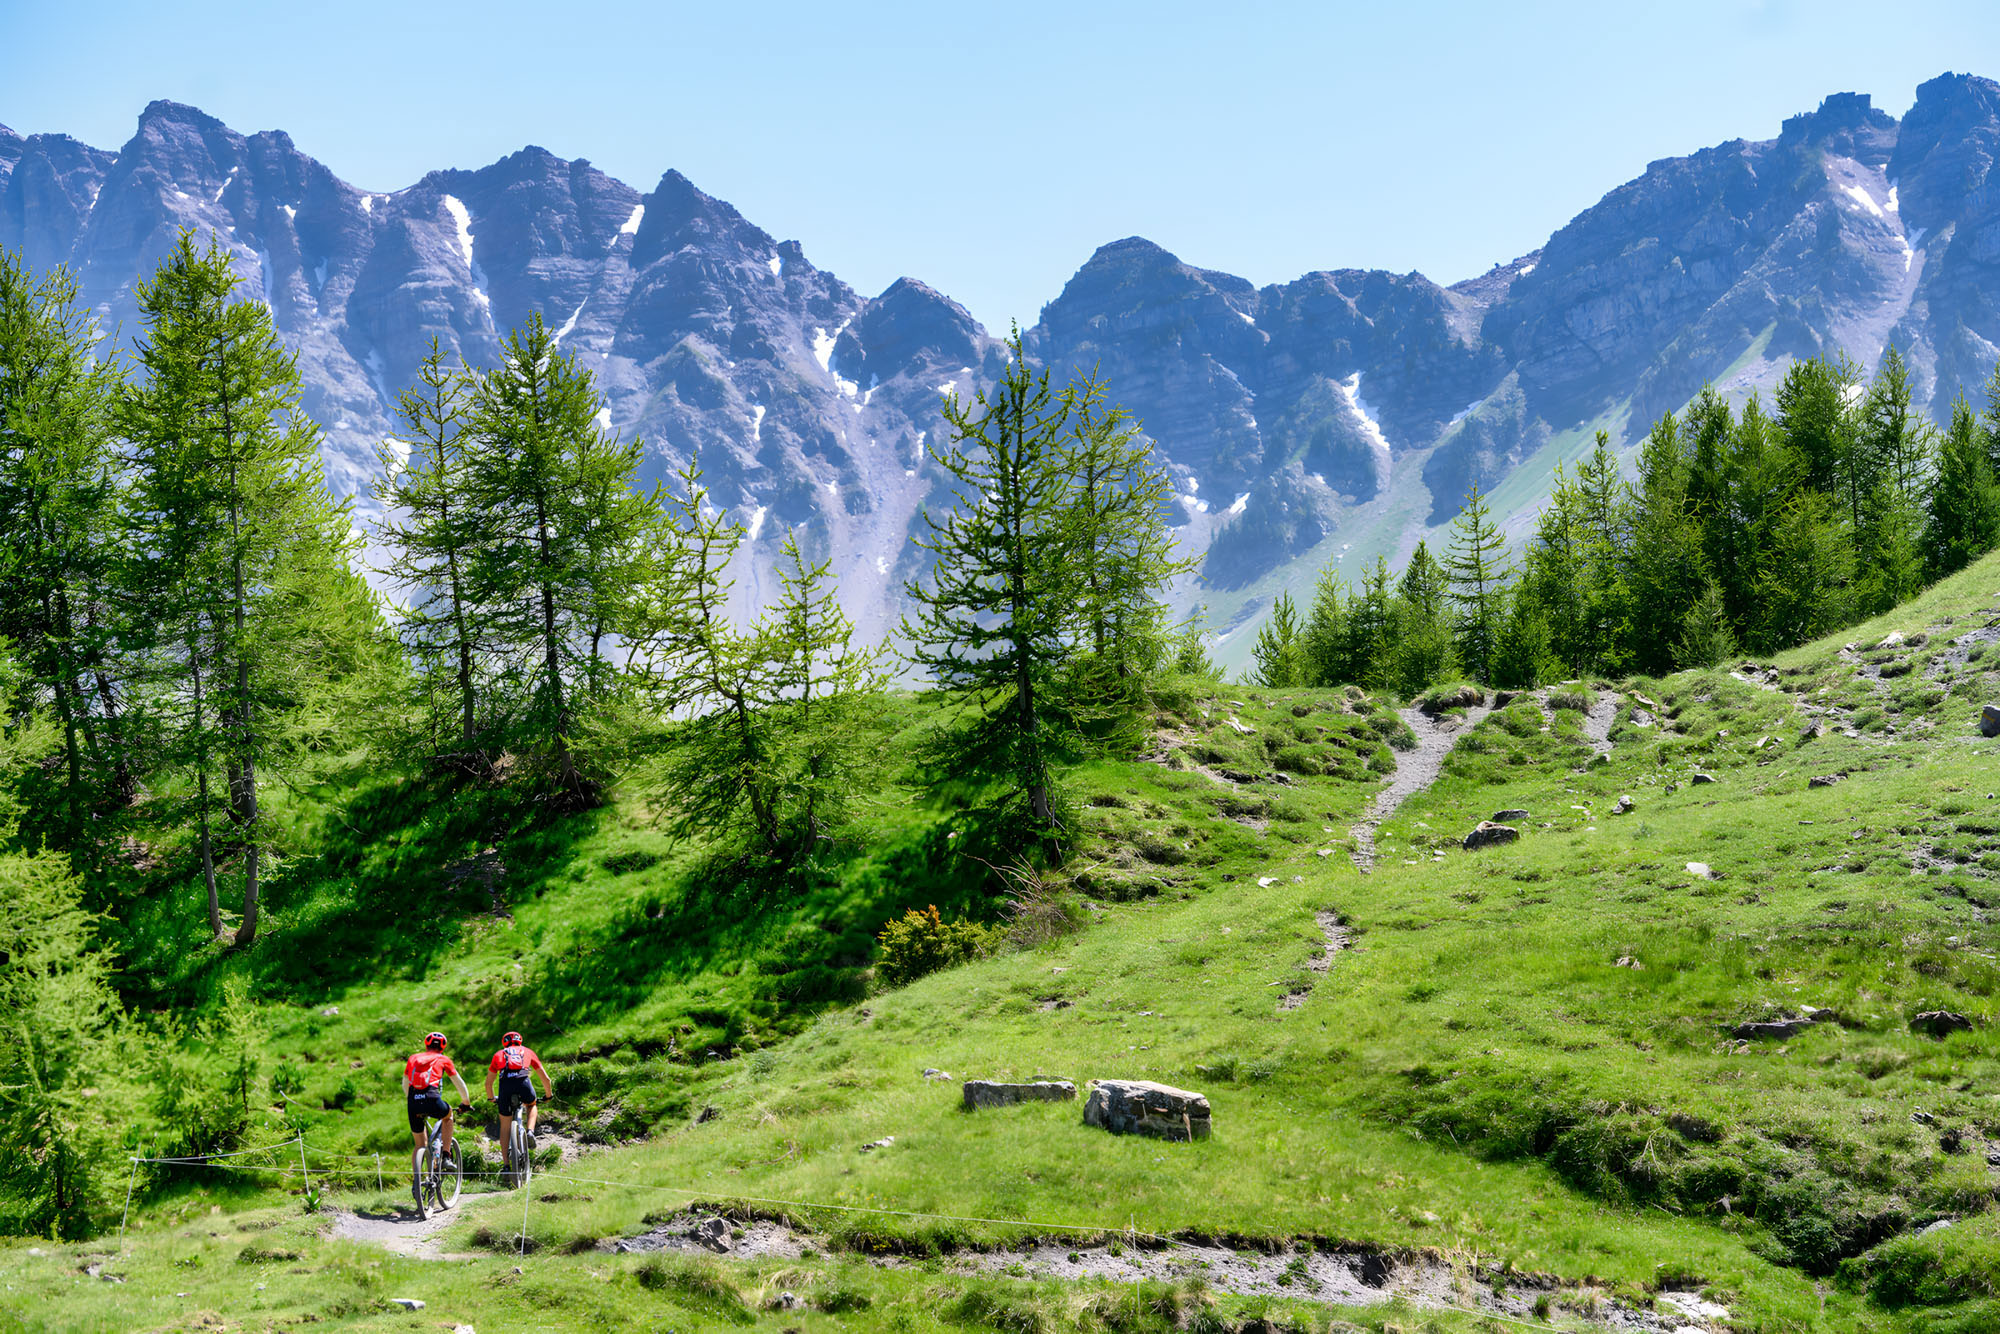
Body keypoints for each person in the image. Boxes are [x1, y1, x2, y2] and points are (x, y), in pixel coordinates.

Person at [402, 1031, 471, 1206]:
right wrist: (465, 1102)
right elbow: (458, 1082)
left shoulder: (413, 1058)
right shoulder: (443, 1059)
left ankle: (417, 1182)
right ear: (442, 1047)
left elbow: (405, 1083)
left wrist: (412, 1101)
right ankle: (446, 1156)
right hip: (432, 1098)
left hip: (413, 1102)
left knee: (420, 1144)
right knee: (448, 1116)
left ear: (426, 1045)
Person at [485, 1030, 553, 1162]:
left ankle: (506, 1165)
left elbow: (488, 1083)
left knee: (505, 1127)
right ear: (520, 1041)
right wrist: (548, 1095)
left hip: (505, 1087)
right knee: (531, 1104)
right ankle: (530, 1131)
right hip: (523, 1083)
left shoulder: (498, 1054)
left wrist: (491, 1098)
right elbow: (546, 1078)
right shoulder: (528, 1051)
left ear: (504, 1043)